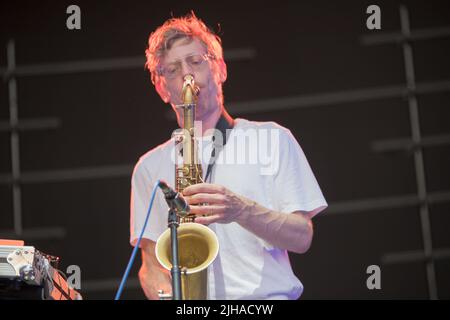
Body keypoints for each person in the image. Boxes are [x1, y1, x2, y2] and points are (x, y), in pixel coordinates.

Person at [130, 12, 328, 300]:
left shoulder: (272, 139)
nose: (186, 74)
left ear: (221, 69)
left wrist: (241, 210)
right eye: (172, 70)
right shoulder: (148, 167)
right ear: (162, 88)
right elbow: (151, 266)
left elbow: (302, 236)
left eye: (195, 62)